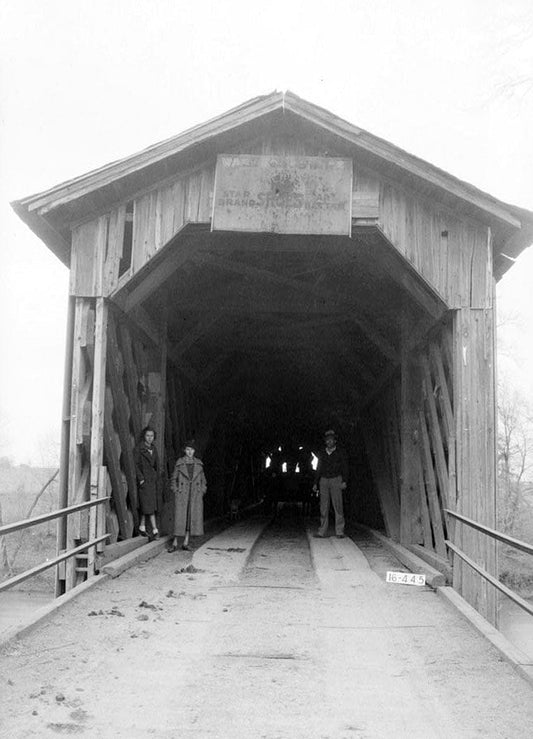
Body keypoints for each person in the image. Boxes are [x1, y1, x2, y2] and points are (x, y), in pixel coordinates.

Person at [168, 439, 207, 552]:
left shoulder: (199, 464)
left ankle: (186, 542)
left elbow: (204, 481)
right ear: (184, 450)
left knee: (190, 518)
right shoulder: (180, 463)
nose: (190, 452)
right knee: (179, 519)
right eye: (188, 449)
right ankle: (175, 543)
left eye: (192, 450)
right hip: (182, 494)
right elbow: (173, 479)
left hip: (194, 495)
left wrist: (202, 491)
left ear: (194, 451)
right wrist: (176, 490)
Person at [313, 429, 348, 538]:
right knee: (323, 506)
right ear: (325, 442)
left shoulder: (340, 453)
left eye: (331, 440)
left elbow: (345, 467)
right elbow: (318, 468)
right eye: (327, 440)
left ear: (335, 441)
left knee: (338, 506)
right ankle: (322, 531)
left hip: (336, 479)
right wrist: (315, 482)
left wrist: (344, 481)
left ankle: (339, 531)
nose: (329, 442)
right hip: (324, 480)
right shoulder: (322, 453)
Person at [133, 426, 160, 540]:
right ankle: (155, 529)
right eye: (148, 436)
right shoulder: (139, 449)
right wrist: (141, 478)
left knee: (148, 505)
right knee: (149, 506)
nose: (150, 438)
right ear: (144, 436)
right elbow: (135, 465)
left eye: (152, 436)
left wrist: (156, 476)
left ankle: (142, 526)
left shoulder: (154, 449)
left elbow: (157, 465)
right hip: (144, 481)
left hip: (152, 481)